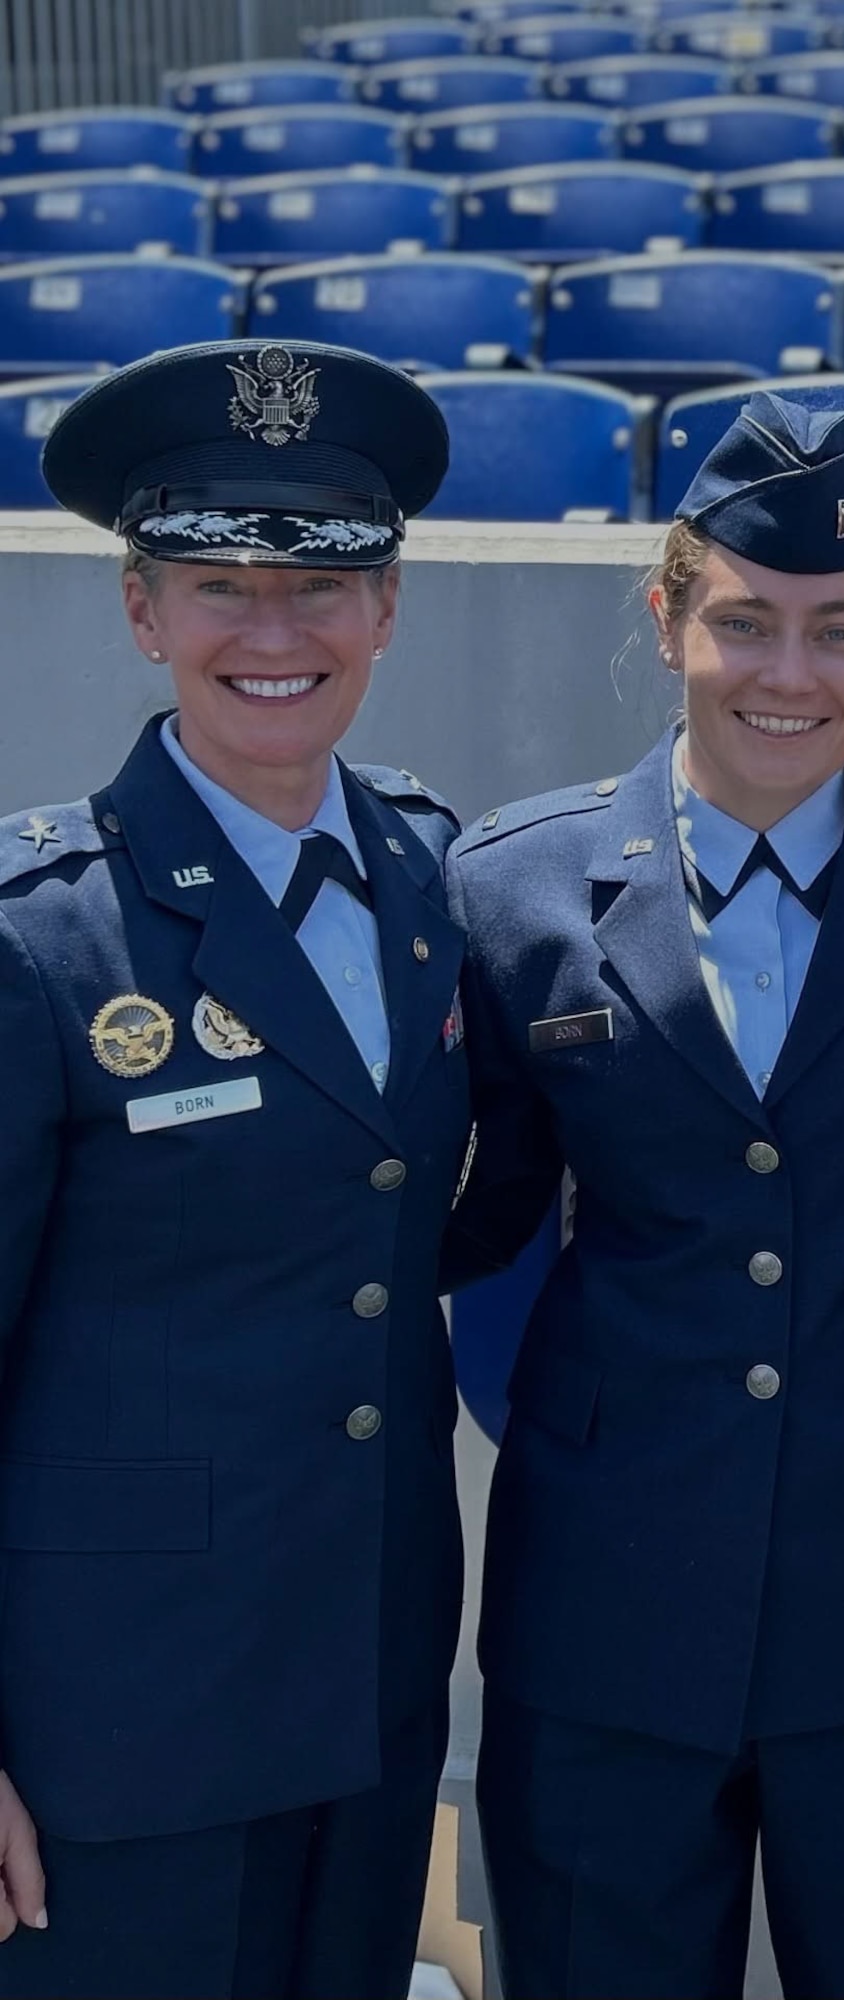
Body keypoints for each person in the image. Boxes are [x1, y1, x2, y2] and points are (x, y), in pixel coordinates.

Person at [445, 392, 844, 2000]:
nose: (790, 675)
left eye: (837, 630)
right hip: (611, 1604)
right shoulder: (514, 887)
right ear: (668, 618)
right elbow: (484, 1207)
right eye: (745, 622)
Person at [0, 339, 470, 1999]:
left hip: (367, 1675)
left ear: (388, 606)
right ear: (141, 612)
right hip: (117, 1720)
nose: (274, 635)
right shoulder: (36, 938)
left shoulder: (432, 876)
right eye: (216, 585)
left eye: (321, 585)